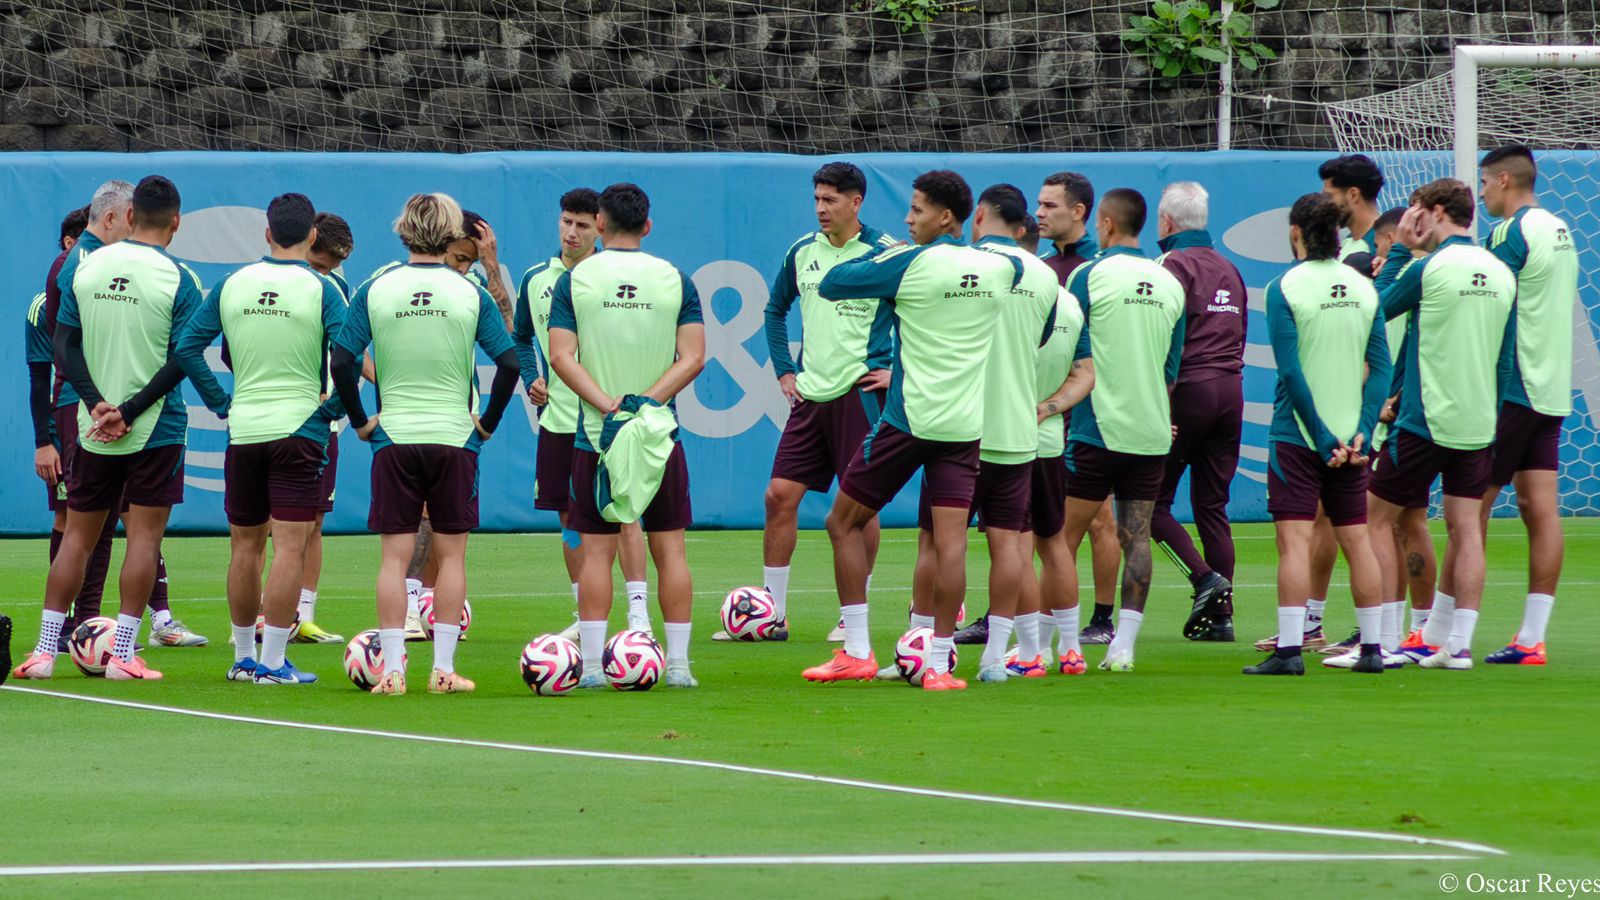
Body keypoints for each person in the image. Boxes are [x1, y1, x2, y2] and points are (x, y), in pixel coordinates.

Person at [800, 169, 1021, 692]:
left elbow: (833, 283)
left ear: (945, 217)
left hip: (908, 420)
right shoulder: (1001, 269)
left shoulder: (908, 261)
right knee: (951, 547)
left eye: (917, 209)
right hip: (964, 427)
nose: (906, 218)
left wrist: (888, 253)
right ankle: (939, 665)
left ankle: (855, 649)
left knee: (842, 523)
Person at [330, 192, 521, 695]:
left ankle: (392, 671)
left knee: (393, 559)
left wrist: (361, 421)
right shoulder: (469, 291)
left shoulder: (376, 286)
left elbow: (343, 360)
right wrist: (487, 425)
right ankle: (443, 670)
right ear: (451, 232)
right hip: (455, 438)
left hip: (394, 437)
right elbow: (509, 363)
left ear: (403, 230)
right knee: (452, 557)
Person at [13, 175, 201, 682]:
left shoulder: (85, 267)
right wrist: (132, 409)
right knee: (143, 538)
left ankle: (44, 652)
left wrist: (97, 405)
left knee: (76, 537)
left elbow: (63, 346)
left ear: (132, 216)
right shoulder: (181, 277)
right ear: (176, 222)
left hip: (91, 426)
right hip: (155, 426)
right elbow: (184, 356)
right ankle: (122, 654)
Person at [176, 192, 347, 684]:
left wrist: (221, 402)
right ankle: (273, 661)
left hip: (245, 430)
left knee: (244, 547)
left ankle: (243, 657)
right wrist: (330, 410)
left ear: (267, 233)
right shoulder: (323, 287)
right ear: (313, 235)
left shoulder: (233, 282)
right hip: (299, 429)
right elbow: (349, 355)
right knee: (289, 548)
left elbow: (189, 345)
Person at [547, 183, 706, 689]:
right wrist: (648, 402)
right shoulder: (675, 279)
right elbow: (695, 357)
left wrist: (607, 404)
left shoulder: (576, 279)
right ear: (648, 226)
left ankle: (592, 667)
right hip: (659, 436)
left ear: (598, 222)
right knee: (672, 551)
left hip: (597, 436)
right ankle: (679, 666)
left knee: (596, 552)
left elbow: (560, 357)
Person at [903, 183, 1057, 683]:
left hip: (961, 426)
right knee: (1008, 544)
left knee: (935, 543)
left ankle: (924, 648)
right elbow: (1042, 342)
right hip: (1017, 428)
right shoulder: (1045, 275)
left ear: (978, 217)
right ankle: (995, 657)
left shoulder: (959, 263)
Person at [1364, 178, 1515, 671]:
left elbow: (1375, 309)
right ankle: (1458, 645)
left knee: (1374, 519)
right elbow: (1505, 360)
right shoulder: (1500, 272)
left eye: (1414, 213)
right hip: (1477, 423)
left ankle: (1384, 641)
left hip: (1423, 421)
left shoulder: (1429, 267)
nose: (1410, 221)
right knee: (1467, 529)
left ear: (1432, 213)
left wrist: (1402, 251)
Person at [748, 162, 896, 643]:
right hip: (811, 397)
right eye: (816, 198)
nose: (820, 208)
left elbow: (925, 315)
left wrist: (899, 370)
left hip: (861, 395)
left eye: (830, 200)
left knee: (859, 510)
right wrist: (784, 370)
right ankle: (772, 614)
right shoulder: (801, 251)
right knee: (778, 496)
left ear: (856, 203)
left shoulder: (887, 254)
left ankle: (852, 610)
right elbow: (774, 310)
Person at [1245, 193, 1390, 676]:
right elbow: (1382, 370)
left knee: (1294, 543)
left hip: (1300, 438)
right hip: (1353, 443)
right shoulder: (1364, 287)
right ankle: (1372, 649)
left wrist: (1323, 436)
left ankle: (1289, 651)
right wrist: (1362, 433)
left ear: (1295, 233)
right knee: (1358, 542)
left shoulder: (1284, 286)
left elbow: (1290, 372)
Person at [1454, 146, 1576, 666]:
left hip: (1511, 385)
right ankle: (1531, 637)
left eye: (1484, 182)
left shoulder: (1509, 232)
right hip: (1550, 387)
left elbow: (1489, 302)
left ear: (1504, 180)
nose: (1480, 193)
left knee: (1469, 506)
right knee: (1539, 508)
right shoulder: (1560, 228)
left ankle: (1450, 634)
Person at [515, 188, 653, 640]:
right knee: (568, 524)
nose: (571, 232)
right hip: (557, 423)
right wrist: (533, 378)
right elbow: (521, 337)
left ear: (600, 227)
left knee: (625, 513)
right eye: (565, 222)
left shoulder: (611, 276)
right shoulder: (536, 278)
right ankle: (583, 611)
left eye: (582, 225)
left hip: (612, 421)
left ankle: (638, 617)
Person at [1059, 188, 1186, 673]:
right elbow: (1171, 368)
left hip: (1097, 428)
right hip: (1151, 430)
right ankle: (1123, 648)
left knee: (1060, 539)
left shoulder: (1088, 274)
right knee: (1137, 535)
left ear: (1107, 225)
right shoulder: (1169, 280)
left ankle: (1066, 645)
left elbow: (1068, 343)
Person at [1013, 170, 1122, 647]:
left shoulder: (1096, 271)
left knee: (1096, 521)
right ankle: (1022, 619)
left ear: (1079, 213)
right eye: (1037, 205)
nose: (1039, 214)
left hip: (1085, 412)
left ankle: (1099, 619)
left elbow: (1110, 351)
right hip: (1035, 414)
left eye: (1049, 206)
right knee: (1026, 527)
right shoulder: (1036, 267)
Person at [1148, 181, 1248, 642]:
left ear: (1166, 222)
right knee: (1213, 506)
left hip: (1188, 389)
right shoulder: (1229, 267)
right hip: (1231, 391)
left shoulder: (1169, 264)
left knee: (1148, 503)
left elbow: (1158, 336)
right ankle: (1221, 619)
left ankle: (1203, 579)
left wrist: (1159, 404)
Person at [1012, 274, 1092, 677]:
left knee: (1017, 545)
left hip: (1007, 440)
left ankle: (1029, 654)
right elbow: (1085, 373)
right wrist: (1050, 407)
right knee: (1054, 543)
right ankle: (1071, 651)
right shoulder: (1070, 303)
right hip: (1049, 442)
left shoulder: (1010, 296)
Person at [292, 211, 357, 646]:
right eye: (329, 261)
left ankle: (293, 616)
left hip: (299, 419)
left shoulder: (334, 286)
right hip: (306, 420)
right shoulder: (321, 286)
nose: (331, 271)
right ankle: (281, 615)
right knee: (295, 522)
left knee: (304, 521)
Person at [1320, 153, 1387, 263]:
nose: (1323, 203)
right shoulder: (1346, 243)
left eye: (1328, 196)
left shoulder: (1383, 246)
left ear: (1353, 195)